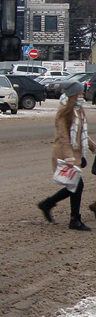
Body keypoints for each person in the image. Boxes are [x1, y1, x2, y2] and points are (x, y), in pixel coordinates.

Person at [39, 80, 95, 231]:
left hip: (75, 153)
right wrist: (69, 158)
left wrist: (92, 146)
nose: (82, 95)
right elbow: (64, 137)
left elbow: (81, 134)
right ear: (72, 95)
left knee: (74, 186)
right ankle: (74, 219)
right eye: (80, 93)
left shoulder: (79, 110)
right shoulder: (64, 112)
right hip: (64, 153)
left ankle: (48, 204)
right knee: (77, 185)